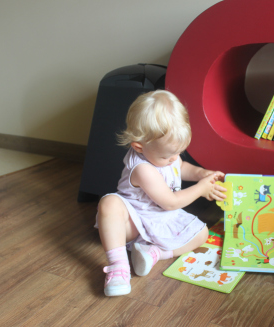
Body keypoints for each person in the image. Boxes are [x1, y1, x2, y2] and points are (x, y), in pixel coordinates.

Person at [96, 90, 227, 297]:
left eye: (178, 152)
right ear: (139, 147)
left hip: (161, 219)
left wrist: (202, 173)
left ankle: (155, 252)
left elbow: (182, 168)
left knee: (202, 234)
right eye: (168, 155)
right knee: (109, 203)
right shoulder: (143, 169)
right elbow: (170, 202)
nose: (174, 159)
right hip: (135, 222)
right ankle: (118, 266)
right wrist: (201, 189)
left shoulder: (168, 157)